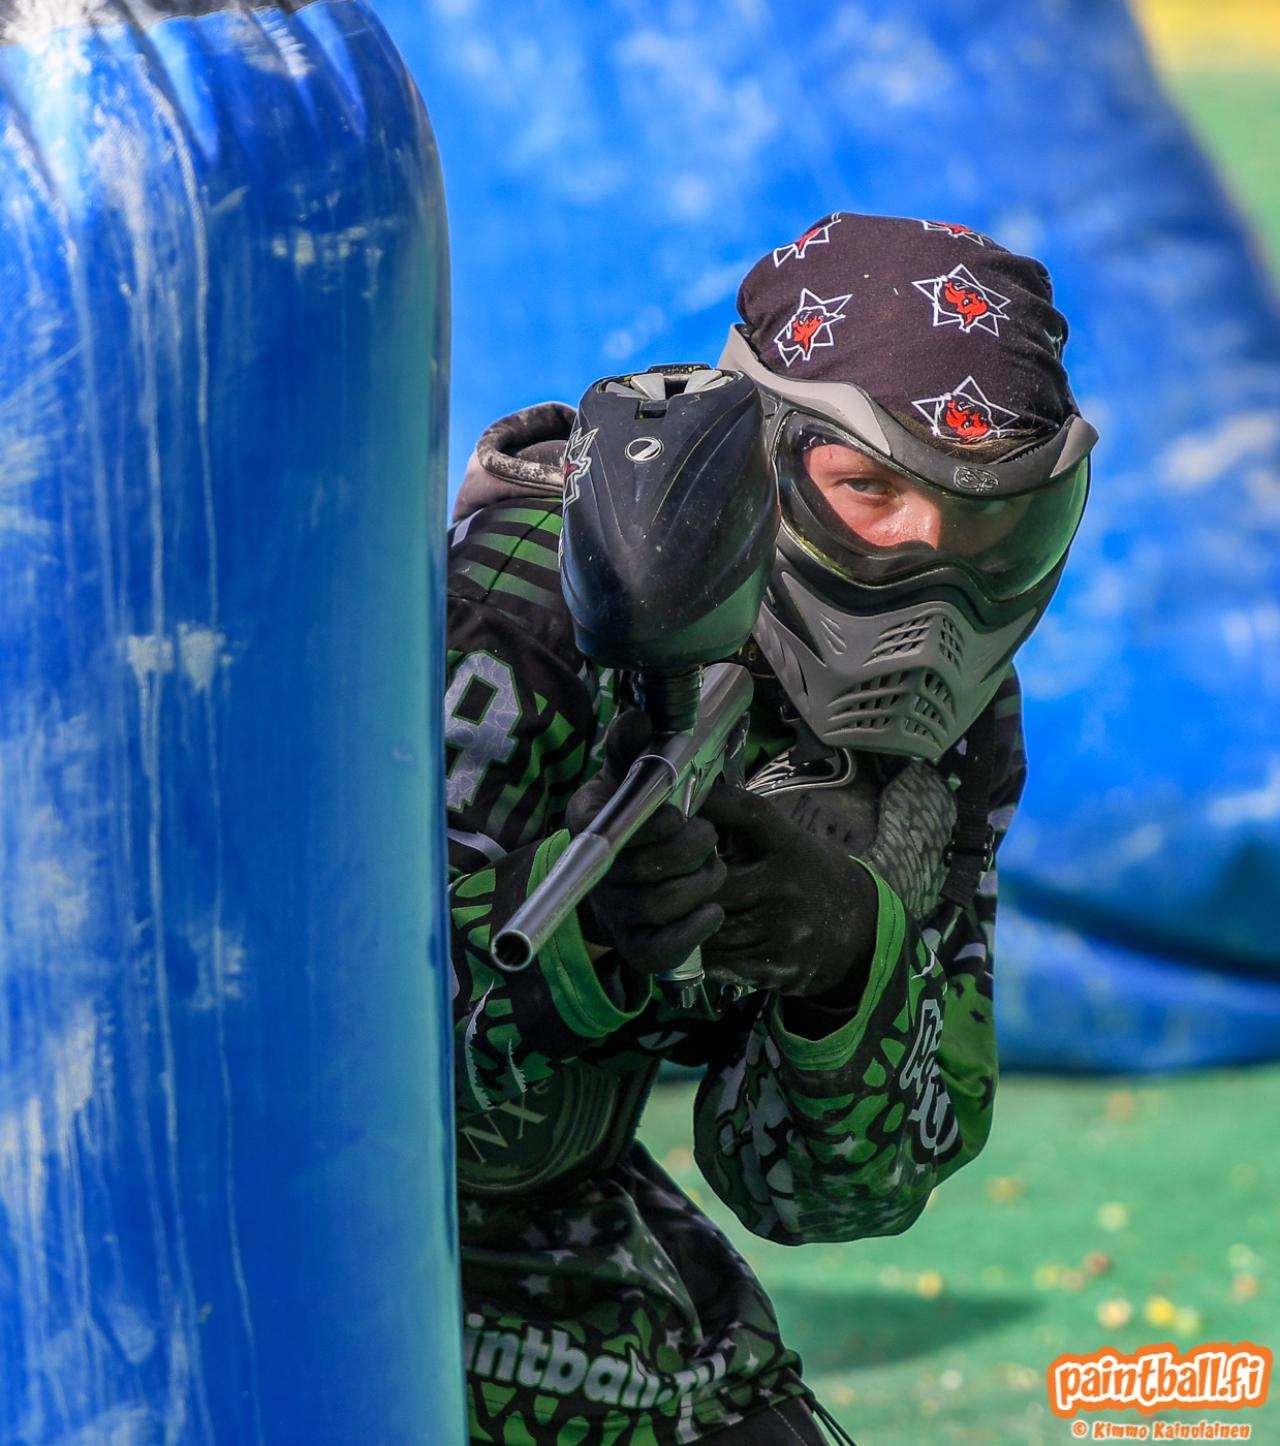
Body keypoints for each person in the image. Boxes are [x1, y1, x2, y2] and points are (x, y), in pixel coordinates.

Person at [445, 211, 1097, 1444]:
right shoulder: (526, 601)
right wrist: (578, 946)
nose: (929, 569)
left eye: (987, 521)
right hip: (292, 1239)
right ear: (757, 456)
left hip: (553, 1238)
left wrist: (847, 959)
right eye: (870, 489)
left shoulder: (953, 726)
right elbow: (322, 1080)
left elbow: (830, 1193)